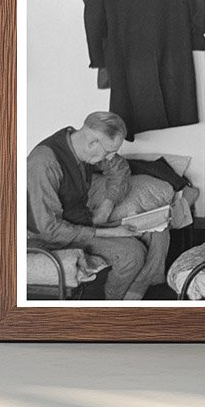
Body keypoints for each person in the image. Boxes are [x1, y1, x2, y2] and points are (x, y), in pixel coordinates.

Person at [26, 112, 145, 299]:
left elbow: (120, 169)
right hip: (48, 237)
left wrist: (107, 205)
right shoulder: (44, 163)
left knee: (153, 234)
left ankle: (134, 294)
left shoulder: (80, 145)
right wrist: (109, 232)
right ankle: (107, 308)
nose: (111, 156)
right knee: (133, 254)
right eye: (109, 152)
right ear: (92, 143)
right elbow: (49, 229)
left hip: (81, 223)